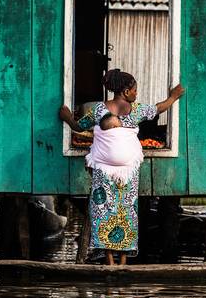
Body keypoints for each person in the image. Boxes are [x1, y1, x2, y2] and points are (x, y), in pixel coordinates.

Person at [59, 69, 185, 265]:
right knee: (126, 212)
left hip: (104, 171)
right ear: (125, 92)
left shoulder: (99, 110)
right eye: (134, 90)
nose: (136, 93)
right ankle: (123, 262)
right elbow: (159, 108)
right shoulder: (135, 111)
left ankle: (110, 262)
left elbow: (78, 127)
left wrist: (67, 117)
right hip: (127, 173)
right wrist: (173, 97)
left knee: (104, 211)